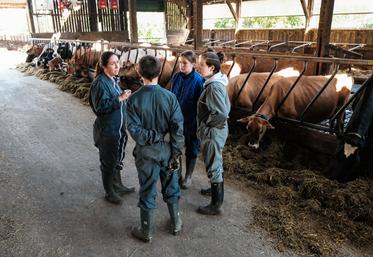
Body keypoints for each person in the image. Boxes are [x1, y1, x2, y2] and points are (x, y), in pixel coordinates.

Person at [126, 55, 184, 242]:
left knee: (148, 187)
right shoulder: (170, 97)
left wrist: (152, 137)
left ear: (139, 72)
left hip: (146, 153)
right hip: (168, 151)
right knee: (171, 184)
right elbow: (178, 128)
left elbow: (134, 130)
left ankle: (146, 231)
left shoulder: (133, 99)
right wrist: (176, 151)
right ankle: (176, 224)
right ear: (160, 72)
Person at [89, 51, 135, 205]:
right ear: (103, 66)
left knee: (117, 157)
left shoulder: (112, 79)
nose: (117, 66)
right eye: (113, 63)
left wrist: (122, 95)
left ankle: (118, 185)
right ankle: (109, 191)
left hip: (118, 128)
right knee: (108, 161)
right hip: (107, 130)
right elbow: (100, 108)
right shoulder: (99, 83)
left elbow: (114, 100)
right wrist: (120, 98)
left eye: (118, 62)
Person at [196, 51, 231, 215]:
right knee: (215, 160)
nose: (198, 67)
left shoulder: (214, 87)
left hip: (213, 132)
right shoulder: (215, 82)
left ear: (211, 67)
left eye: (201, 65)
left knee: (213, 163)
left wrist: (206, 124)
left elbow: (222, 113)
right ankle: (213, 188)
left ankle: (216, 205)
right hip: (216, 130)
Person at [170, 50, 204, 189]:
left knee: (191, 148)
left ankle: (188, 176)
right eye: (179, 62)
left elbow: (201, 104)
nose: (181, 66)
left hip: (191, 120)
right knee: (176, 147)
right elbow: (172, 96)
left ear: (194, 64)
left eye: (185, 63)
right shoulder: (176, 77)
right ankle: (177, 175)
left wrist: (198, 122)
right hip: (175, 119)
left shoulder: (199, 80)